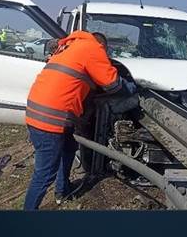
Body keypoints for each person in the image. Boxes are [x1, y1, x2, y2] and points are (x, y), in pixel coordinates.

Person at [23, 31, 124, 210]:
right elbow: (113, 84)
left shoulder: (70, 46)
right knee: (44, 174)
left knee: (69, 147)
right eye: (105, 52)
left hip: (38, 111)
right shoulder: (93, 48)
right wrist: (127, 85)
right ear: (102, 46)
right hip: (50, 119)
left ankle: (63, 190)